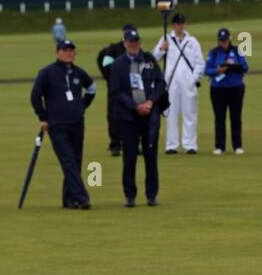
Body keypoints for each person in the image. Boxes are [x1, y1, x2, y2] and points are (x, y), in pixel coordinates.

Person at [29, 38, 96, 209]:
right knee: (68, 161)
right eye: (65, 50)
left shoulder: (79, 73)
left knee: (76, 160)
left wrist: (82, 106)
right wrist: (43, 117)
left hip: (77, 123)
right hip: (57, 124)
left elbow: (91, 88)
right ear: (58, 52)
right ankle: (82, 197)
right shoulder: (47, 73)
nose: (68, 53)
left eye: (71, 50)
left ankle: (69, 199)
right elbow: (35, 96)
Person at [108, 27, 168, 207]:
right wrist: (135, 106)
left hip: (150, 116)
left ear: (139, 43)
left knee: (151, 155)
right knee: (130, 156)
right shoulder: (118, 64)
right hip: (128, 117)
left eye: (136, 42)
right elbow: (116, 91)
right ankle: (130, 194)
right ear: (125, 43)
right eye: (130, 42)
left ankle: (151, 194)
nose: (133, 45)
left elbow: (160, 83)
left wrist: (150, 102)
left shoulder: (149, 60)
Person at [156, 13, 204, 155]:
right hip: (171, 83)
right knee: (171, 113)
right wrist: (161, 49)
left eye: (182, 23)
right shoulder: (166, 39)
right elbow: (153, 58)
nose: (180, 26)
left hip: (188, 83)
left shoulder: (192, 41)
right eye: (177, 23)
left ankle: (190, 144)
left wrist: (193, 79)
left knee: (190, 113)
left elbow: (200, 63)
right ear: (173, 25)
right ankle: (172, 145)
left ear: (185, 24)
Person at [205, 27, 248, 155]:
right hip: (218, 89)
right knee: (219, 118)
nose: (223, 43)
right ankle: (220, 146)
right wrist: (218, 70)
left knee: (235, 117)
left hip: (235, 88)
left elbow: (245, 67)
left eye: (225, 40)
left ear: (229, 39)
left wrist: (233, 64)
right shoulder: (213, 53)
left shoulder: (237, 51)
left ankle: (237, 146)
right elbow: (207, 70)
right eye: (221, 41)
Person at [96, 24, 133, 157]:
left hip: (132, 89)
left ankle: (132, 143)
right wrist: (109, 78)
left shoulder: (136, 50)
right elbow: (104, 62)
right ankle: (115, 144)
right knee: (114, 116)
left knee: (133, 117)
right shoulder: (113, 49)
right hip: (116, 89)